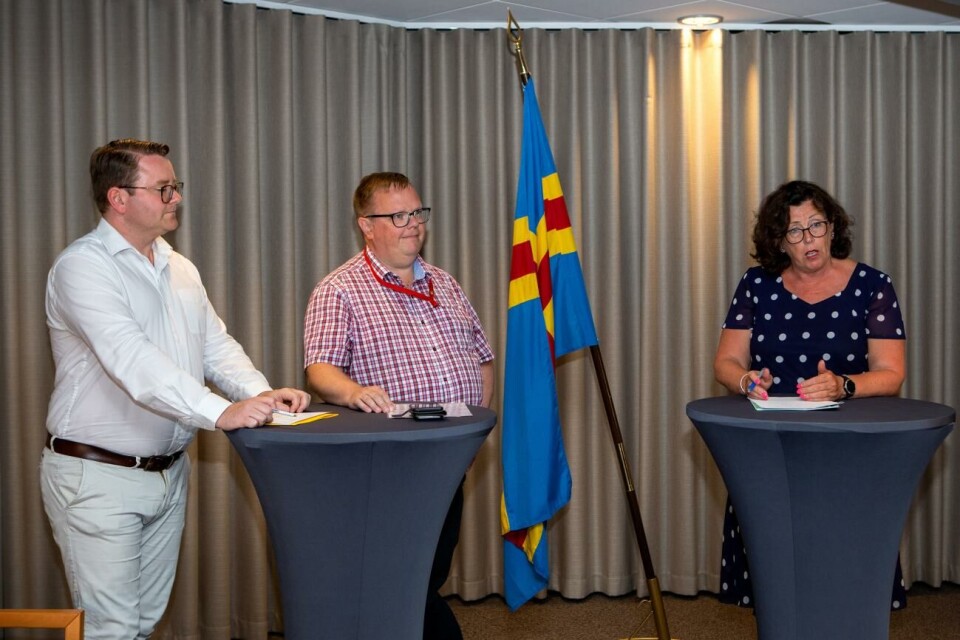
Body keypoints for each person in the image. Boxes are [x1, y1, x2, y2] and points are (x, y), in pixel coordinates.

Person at [41, 139, 311, 639]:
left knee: (143, 622)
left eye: (176, 187)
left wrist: (260, 394)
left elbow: (214, 346)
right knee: (111, 629)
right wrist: (221, 412)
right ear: (118, 198)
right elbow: (133, 362)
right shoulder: (83, 267)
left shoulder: (178, 266)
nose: (176, 199)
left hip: (168, 475)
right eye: (163, 189)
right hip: (97, 476)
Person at [303, 172, 494, 639]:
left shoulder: (446, 284)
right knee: (403, 581)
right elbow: (319, 369)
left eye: (418, 212)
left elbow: (483, 361)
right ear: (366, 226)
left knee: (430, 571)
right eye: (399, 216)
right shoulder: (340, 289)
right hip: (390, 469)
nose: (413, 224)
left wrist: (470, 439)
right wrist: (354, 393)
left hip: (449, 461)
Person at [712, 180, 907, 609]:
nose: (808, 239)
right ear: (779, 241)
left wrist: (845, 385)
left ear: (833, 227)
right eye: (794, 231)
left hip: (848, 449)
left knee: (845, 577)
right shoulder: (756, 285)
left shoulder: (872, 285)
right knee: (776, 582)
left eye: (816, 225)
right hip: (772, 449)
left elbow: (891, 374)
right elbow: (725, 363)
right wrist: (746, 382)